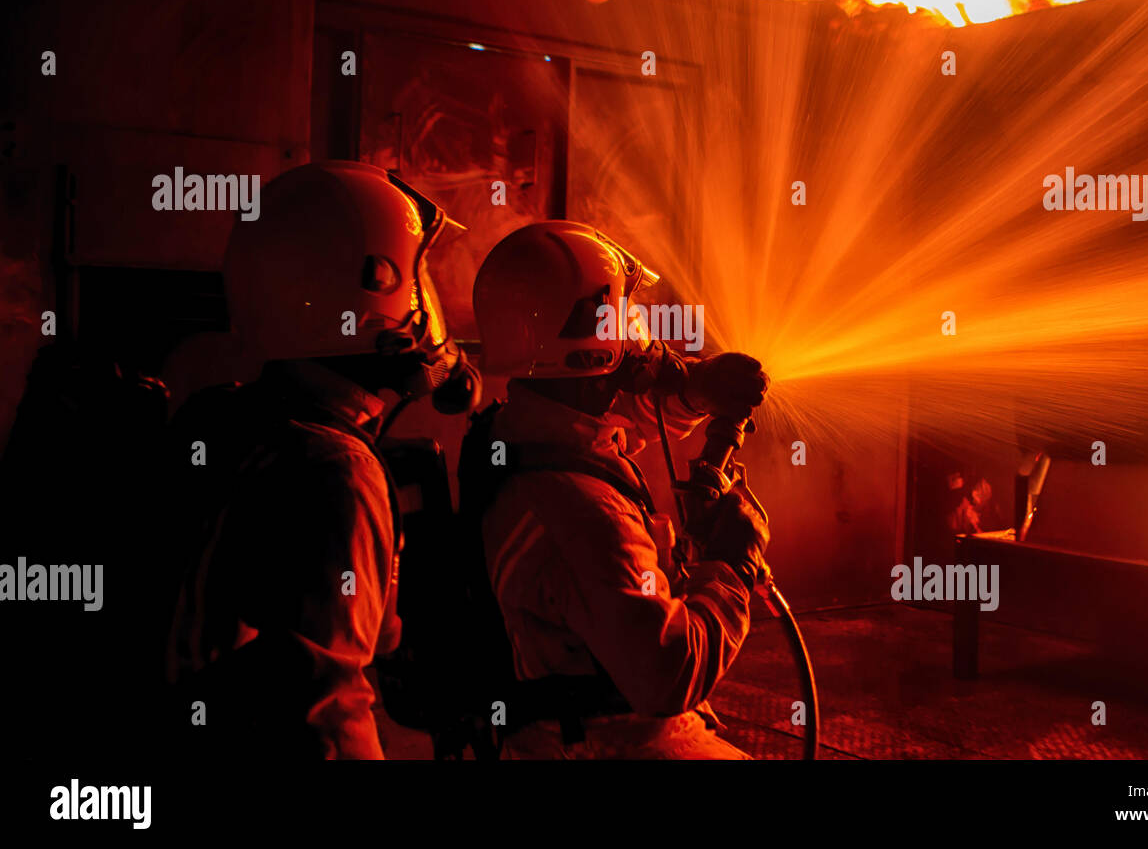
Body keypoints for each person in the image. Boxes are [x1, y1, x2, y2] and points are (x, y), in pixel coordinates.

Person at [165, 161, 478, 759]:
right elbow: (326, 720)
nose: (422, 307)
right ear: (374, 287)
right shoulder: (336, 471)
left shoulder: (222, 418)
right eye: (415, 281)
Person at [467, 220, 770, 758]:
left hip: (554, 731)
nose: (640, 342)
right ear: (595, 342)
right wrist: (732, 567)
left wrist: (693, 391)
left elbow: (611, 412)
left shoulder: (517, 432)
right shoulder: (587, 513)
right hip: (618, 742)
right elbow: (666, 675)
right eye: (625, 320)